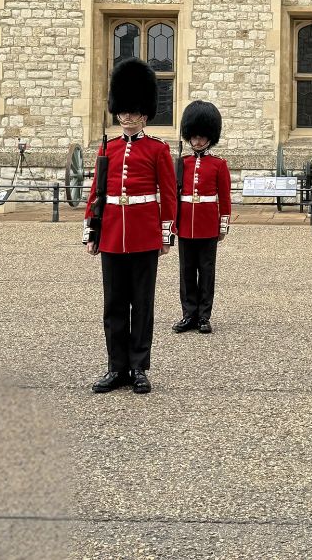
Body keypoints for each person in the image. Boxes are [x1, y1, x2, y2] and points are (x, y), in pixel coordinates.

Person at [83, 58, 176, 395]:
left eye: (133, 111)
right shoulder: (107, 147)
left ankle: (138, 366)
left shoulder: (157, 149)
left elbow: (168, 194)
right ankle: (116, 367)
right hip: (111, 234)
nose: (127, 117)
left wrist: (165, 233)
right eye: (123, 110)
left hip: (143, 234)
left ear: (145, 115)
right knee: (114, 305)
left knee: (142, 303)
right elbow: (97, 191)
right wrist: (91, 232)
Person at [172, 101, 232, 335]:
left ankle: (204, 316)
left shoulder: (219, 164)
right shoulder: (182, 163)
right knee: (186, 271)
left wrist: (223, 223)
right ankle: (189, 314)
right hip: (186, 223)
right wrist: (172, 222)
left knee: (206, 272)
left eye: (202, 137)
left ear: (210, 137)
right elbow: (172, 195)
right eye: (194, 137)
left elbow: (224, 197)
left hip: (208, 224)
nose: (197, 141)